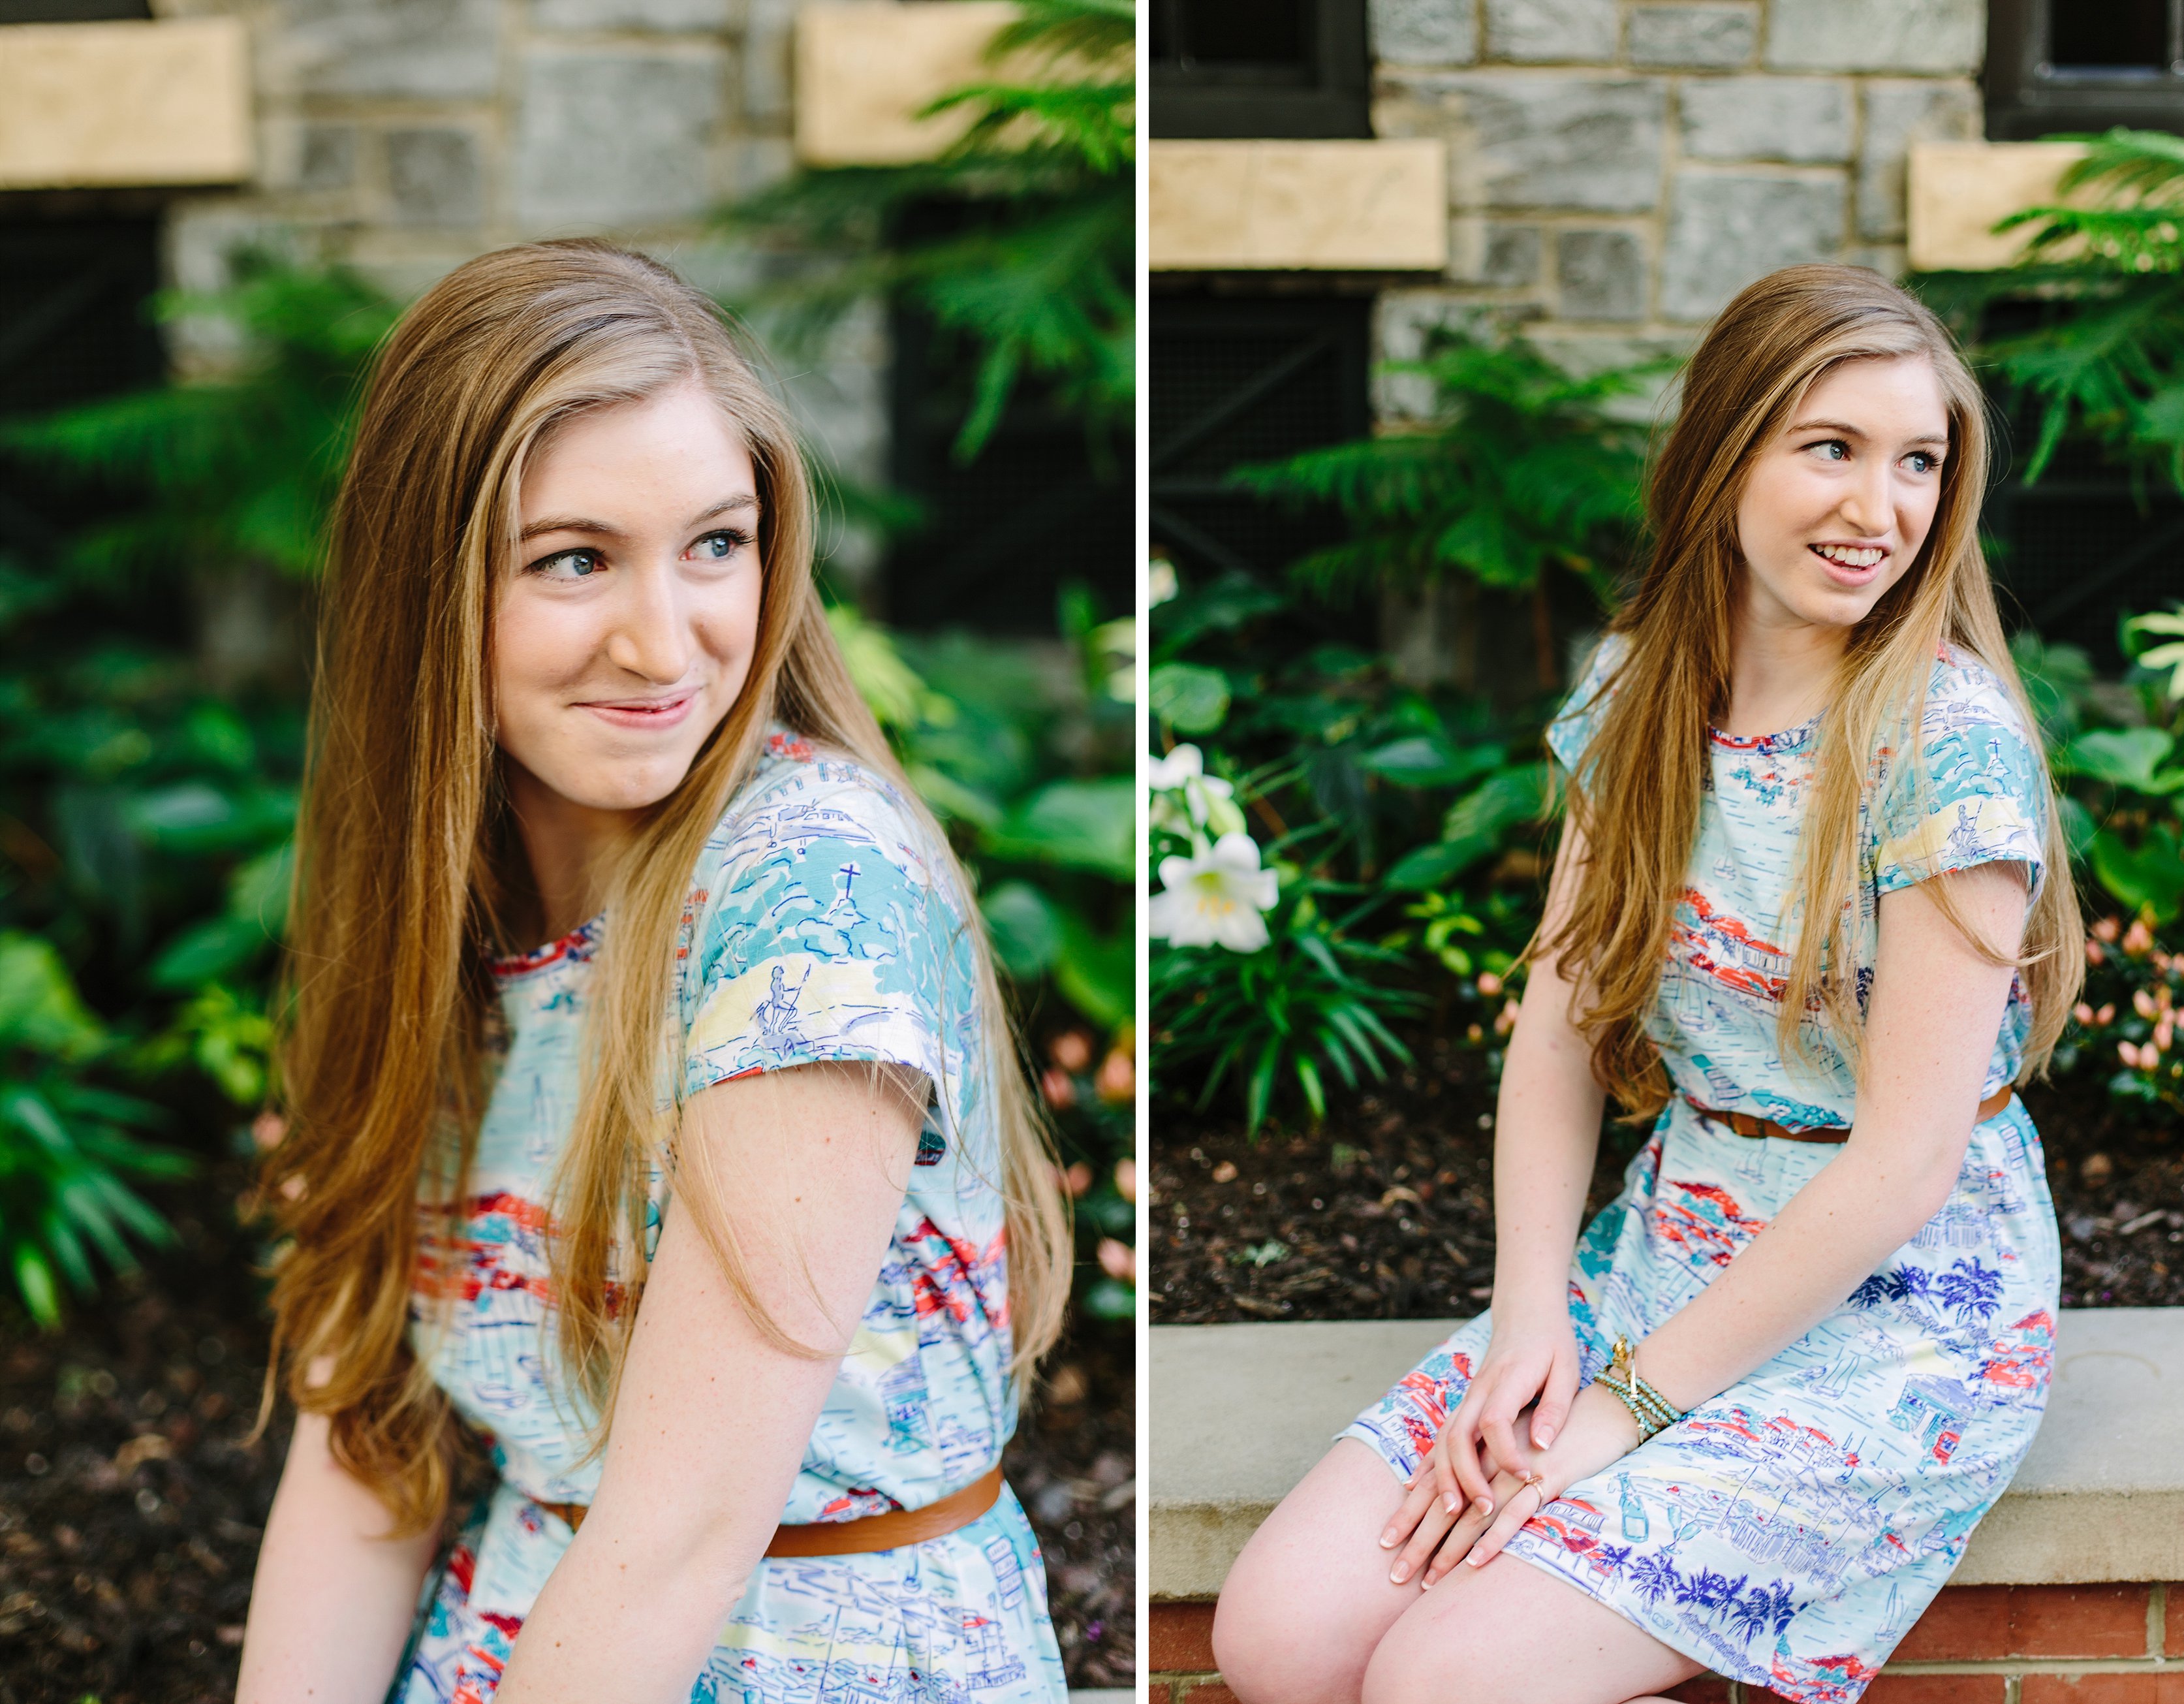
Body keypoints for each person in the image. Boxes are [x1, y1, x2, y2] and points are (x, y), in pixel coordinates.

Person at [1210, 264, 2083, 1704]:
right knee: (1278, 1638)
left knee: (1448, 1679)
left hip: (1897, 1314)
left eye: (1918, 462)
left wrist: (1621, 1415)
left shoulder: (1943, 743)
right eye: (1830, 449)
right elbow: (1556, 1045)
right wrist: (1531, 1325)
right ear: (1719, 452)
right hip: (1665, 1243)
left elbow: (1906, 1165)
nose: (1880, 509)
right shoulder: (1638, 699)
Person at [233, 239, 1073, 1704]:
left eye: (715, 544)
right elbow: (368, 1454)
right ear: (426, 588)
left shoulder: (811, 902)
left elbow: (678, 1542)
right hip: (509, 1633)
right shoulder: (432, 913)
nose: (663, 639)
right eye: (573, 559)